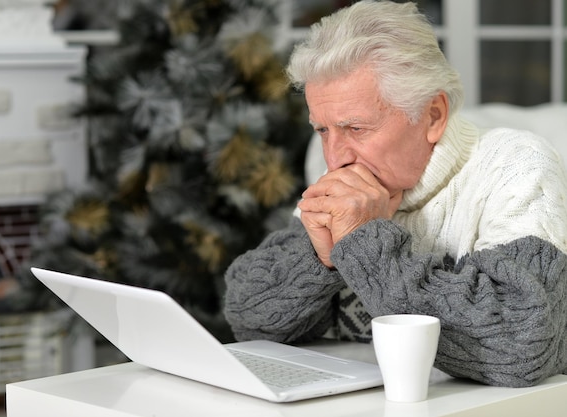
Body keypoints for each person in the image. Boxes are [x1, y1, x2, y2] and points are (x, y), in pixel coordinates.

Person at [223, 0, 567, 388]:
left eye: (356, 128)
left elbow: (522, 346)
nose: (334, 157)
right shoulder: (347, 177)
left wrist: (363, 242)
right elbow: (248, 319)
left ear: (433, 115)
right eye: (322, 130)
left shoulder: (515, 165)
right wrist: (318, 259)